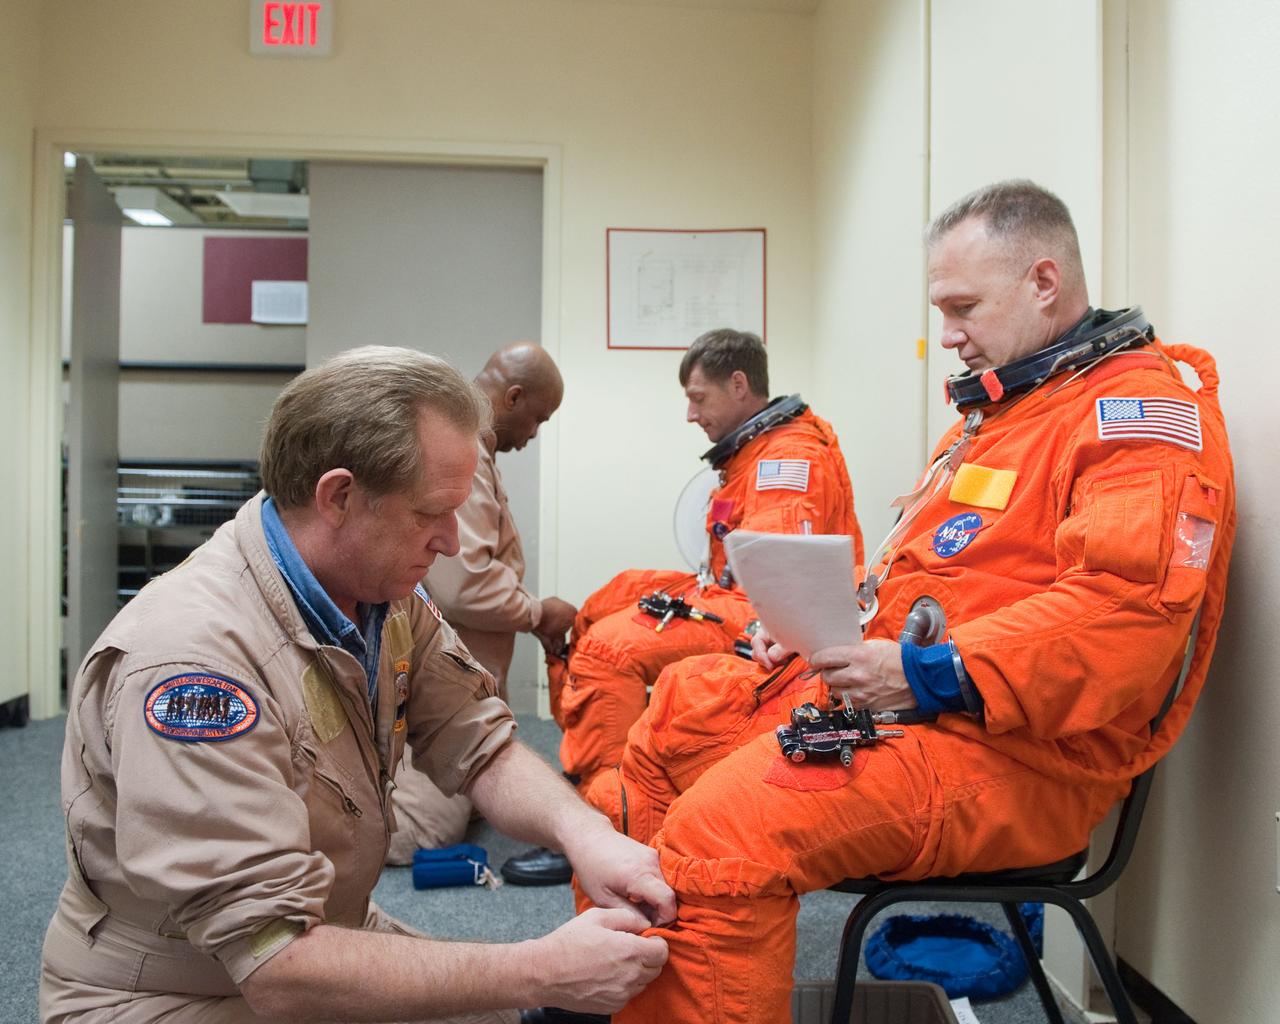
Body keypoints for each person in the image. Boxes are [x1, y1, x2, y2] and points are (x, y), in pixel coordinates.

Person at [594, 181, 1236, 1023]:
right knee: (658, 743)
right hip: (913, 704)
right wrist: (818, 632)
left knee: (727, 828)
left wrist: (927, 673)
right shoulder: (1003, 413)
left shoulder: (1137, 418)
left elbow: (1120, 615)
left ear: (1044, 281)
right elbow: (930, 575)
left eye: (963, 307)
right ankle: (611, 995)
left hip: (1022, 754)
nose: (949, 335)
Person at [39, 346, 674, 1024]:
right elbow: (278, 966)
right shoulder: (195, 670)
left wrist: (588, 834)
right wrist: (540, 971)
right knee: (533, 994)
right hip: (179, 991)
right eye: (432, 513)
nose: (452, 543)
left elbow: (477, 741)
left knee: (521, 1015)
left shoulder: (376, 592)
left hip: (324, 934)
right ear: (339, 496)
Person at [503, 328, 864, 886]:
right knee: (597, 610)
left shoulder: (786, 460)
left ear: (738, 385)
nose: (690, 414)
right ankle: (588, 785)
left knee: (606, 650)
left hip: (768, 620)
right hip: (731, 592)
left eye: (699, 398)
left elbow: (780, 581)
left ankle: (607, 826)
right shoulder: (755, 455)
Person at [385, 342, 578, 864]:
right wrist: (539, 613)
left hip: (458, 672)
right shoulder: (461, 453)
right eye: (538, 418)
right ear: (513, 397)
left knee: (481, 791)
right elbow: (462, 585)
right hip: (436, 674)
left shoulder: (475, 450)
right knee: (429, 830)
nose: (535, 434)